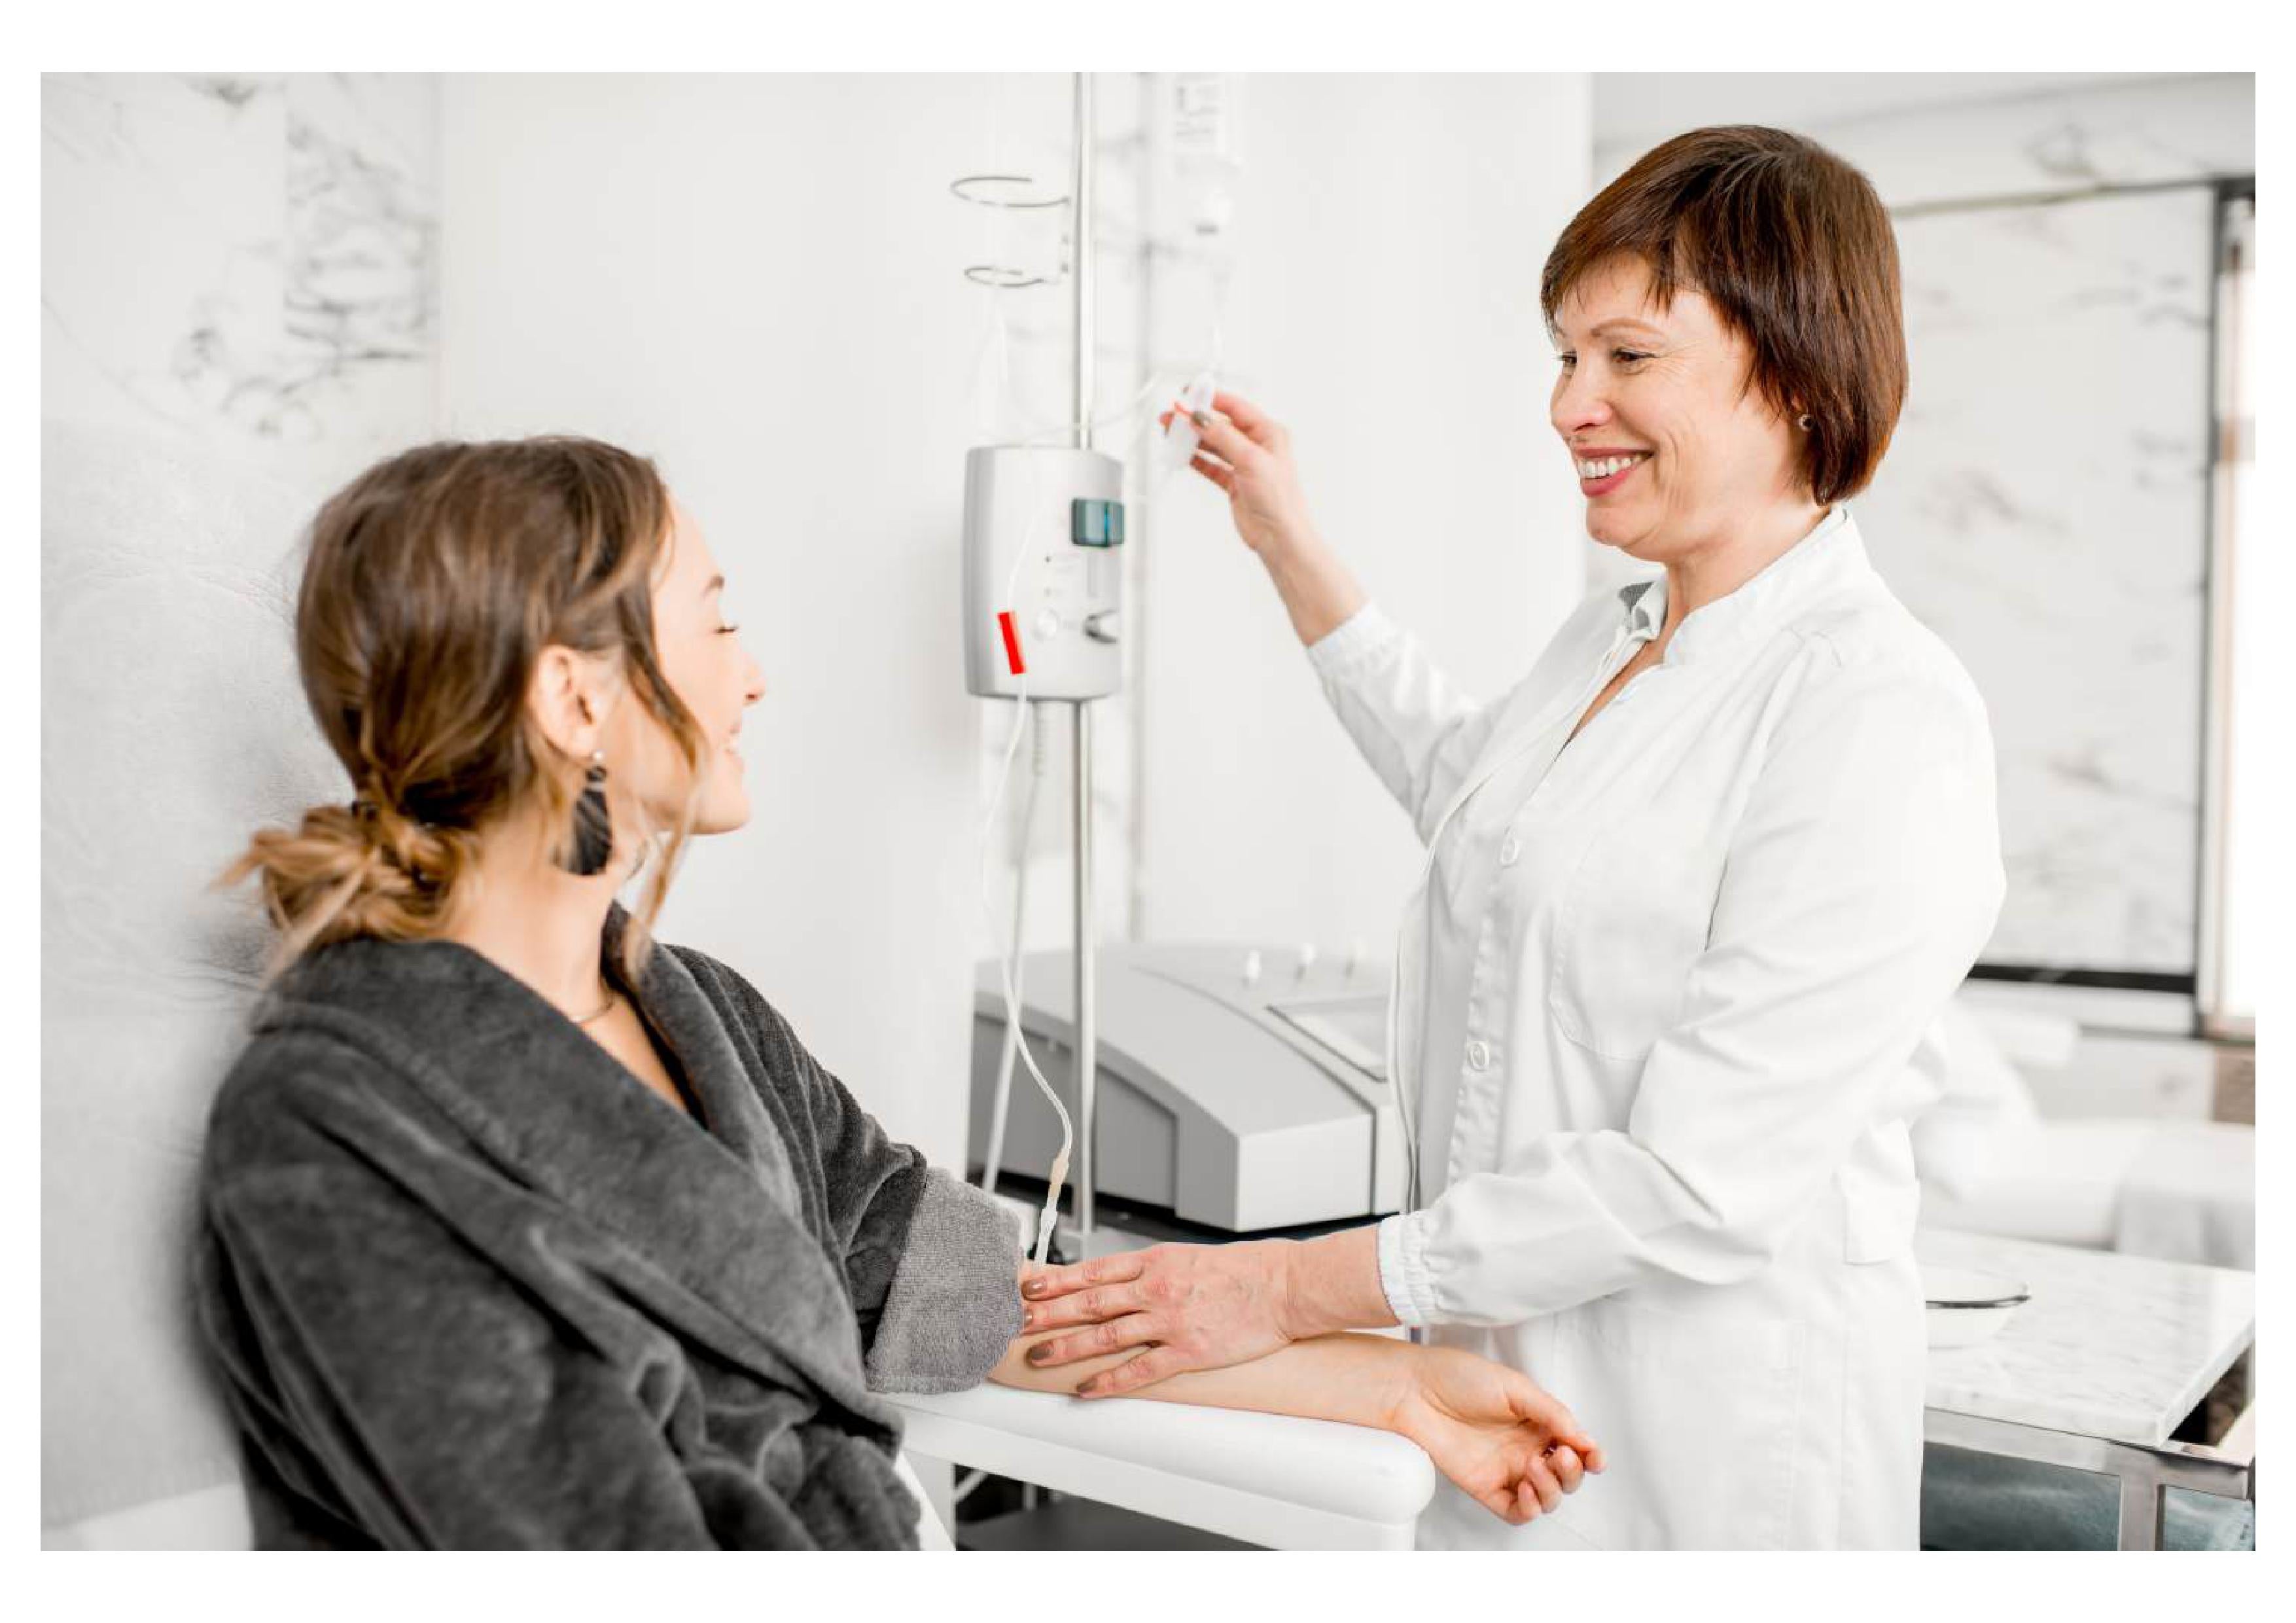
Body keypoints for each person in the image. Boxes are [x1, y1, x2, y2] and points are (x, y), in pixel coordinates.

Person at [191, 436, 1602, 1549]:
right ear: (574, 702)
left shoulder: (702, 1014)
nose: (754, 678)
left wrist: (1391, 1384)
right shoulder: (332, 1125)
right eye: (717, 624)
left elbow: (963, 1297)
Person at [1018, 124, 2007, 1550]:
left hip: (1709, 1459)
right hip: (1498, 1407)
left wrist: (1276, 1290)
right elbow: (1484, 807)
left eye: (1625, 355)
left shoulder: (1876, 711)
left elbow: (1696, 1182)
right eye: (1564, 356)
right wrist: (1288, 540)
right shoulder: (1616, 636)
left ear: (1796, 373)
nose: (1567, 406)